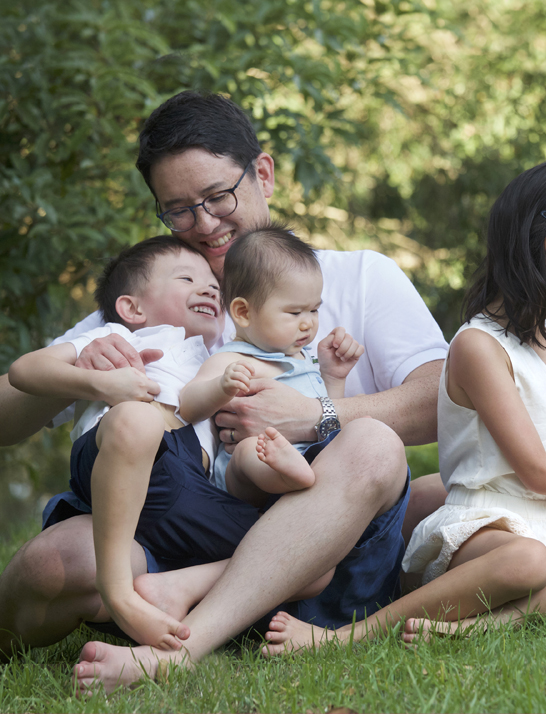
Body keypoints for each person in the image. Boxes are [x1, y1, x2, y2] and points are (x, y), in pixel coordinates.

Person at [0, 90, 447, 692]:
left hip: (321, 549)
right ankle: (171, 611)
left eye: (217, 197)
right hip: (175, 541)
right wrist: (86, 368)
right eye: (179, 210)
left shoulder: (358, 275)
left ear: (261, 174)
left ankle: (185, 646)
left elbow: (442, 397)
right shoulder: (164, 297)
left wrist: (315, 413)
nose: (205, 224)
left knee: (372, 445)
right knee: (53, 564)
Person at [262, 160, 546, 653]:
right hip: (490, 527)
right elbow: (534, 471)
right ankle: (350, 636)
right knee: (527, 563)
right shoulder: (478, 346)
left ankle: (487, 624)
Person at [8, 237, 223, 648]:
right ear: (132, 308)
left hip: (186, 487)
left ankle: (178, 590)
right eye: (187, 278)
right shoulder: (118, 336)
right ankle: (117, 590)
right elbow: (24, 370)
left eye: (214, 282)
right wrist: (99, 383)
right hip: (115, 453)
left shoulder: (219, 359)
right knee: (138, 419)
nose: (210, 287)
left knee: (289, 550)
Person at [179, 224, 364, 506]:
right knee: (249, 450)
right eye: (294, 312)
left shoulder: (303, 358)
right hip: (248, 484)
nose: (309, 322)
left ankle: (296, 472)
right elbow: (188, 404)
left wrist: (334, 377)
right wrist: (221, 387)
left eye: (314, 309)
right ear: (243, 312)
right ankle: (286, 473)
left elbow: (328, 424)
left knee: (362, 433)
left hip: (311, 458)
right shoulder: (233, 359)